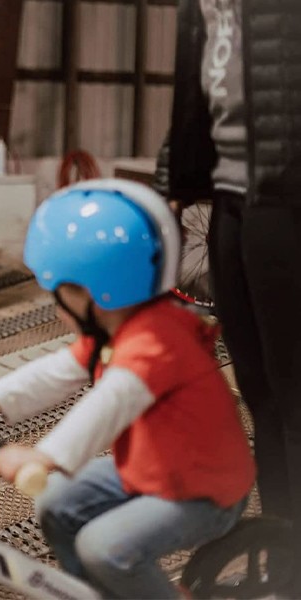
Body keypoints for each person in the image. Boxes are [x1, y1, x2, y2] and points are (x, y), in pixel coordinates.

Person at [0, 180, 256, 599]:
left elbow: (108, 406)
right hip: (151, 467)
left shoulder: (156, 344)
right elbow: (58, 370)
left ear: (100, 290)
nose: (57, 308)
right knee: (56, 504)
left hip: (202, 489)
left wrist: (42, 457)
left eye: (62, 295)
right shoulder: (117, 327)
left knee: (105, 548)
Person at [155, 1, 301, 592]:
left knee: (295, 394)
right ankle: (285, 547)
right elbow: (198, 78)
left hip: (286, 192)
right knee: (260, 389)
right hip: (229, 193)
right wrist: (177, 178)